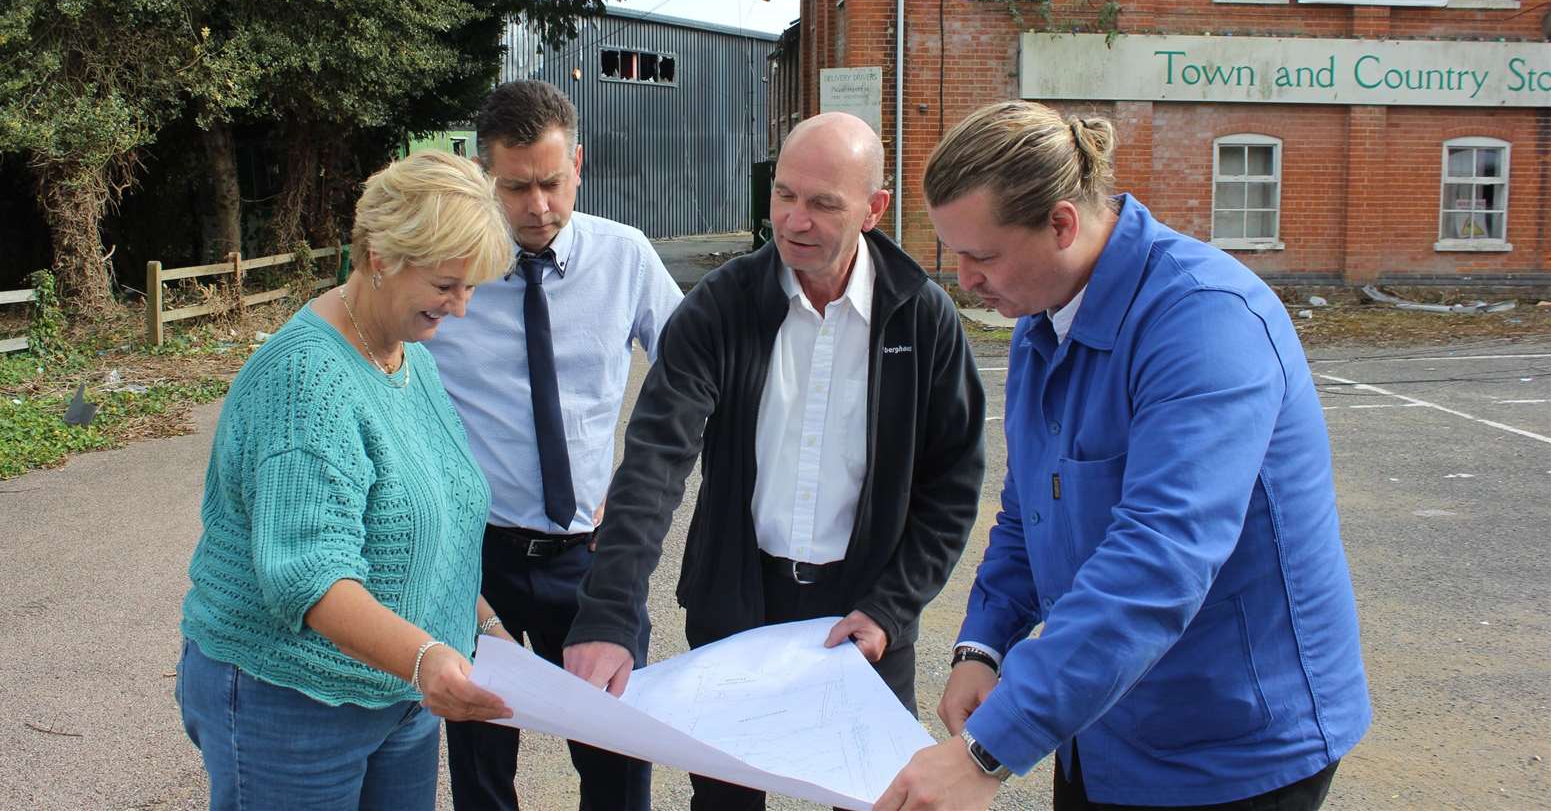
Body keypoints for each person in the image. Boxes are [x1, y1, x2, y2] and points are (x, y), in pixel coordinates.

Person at [876, 101, 1370, 811]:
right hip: (1102, 724)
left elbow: (1162, 554)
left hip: (1230, 750)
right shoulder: (1042, 317)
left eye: (981, 255)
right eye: (952, 253)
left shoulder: (1205, 321)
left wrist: (986, 753)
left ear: (1061, 224)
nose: (963, 279)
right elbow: (1029, 508)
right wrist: (982, 645)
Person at [565, 110, 988, 811]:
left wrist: (891, 606)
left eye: (823, 203)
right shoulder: (719, 308)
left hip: (865, 615)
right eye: (784, 194)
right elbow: (654, 461)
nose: (794, 220)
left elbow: (953, 484)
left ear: (874, 209)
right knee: (726, 799)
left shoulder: (922, 318)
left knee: (873, 798)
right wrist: (609, 612)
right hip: (737, 605)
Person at [176, 151, 518, 811]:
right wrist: (425, 660)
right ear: (383, 256)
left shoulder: (404, 354)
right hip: (292, 700)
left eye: (472, 286)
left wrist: (485, 626)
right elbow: (308, 575)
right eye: (447, 284)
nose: (462, 308)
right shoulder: (307, 383)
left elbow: (432, 521)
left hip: (396, 689)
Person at [425, 80, 683, 811]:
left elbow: (695, 377)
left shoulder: (625, 258)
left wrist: (636, 493)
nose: (537, 207)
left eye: (550, 182)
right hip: (479, 560)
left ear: (578, 163)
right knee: (480, 764)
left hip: (591, 559)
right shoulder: (450, 274)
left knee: (617, 758)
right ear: (485, 177)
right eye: (514, 188)